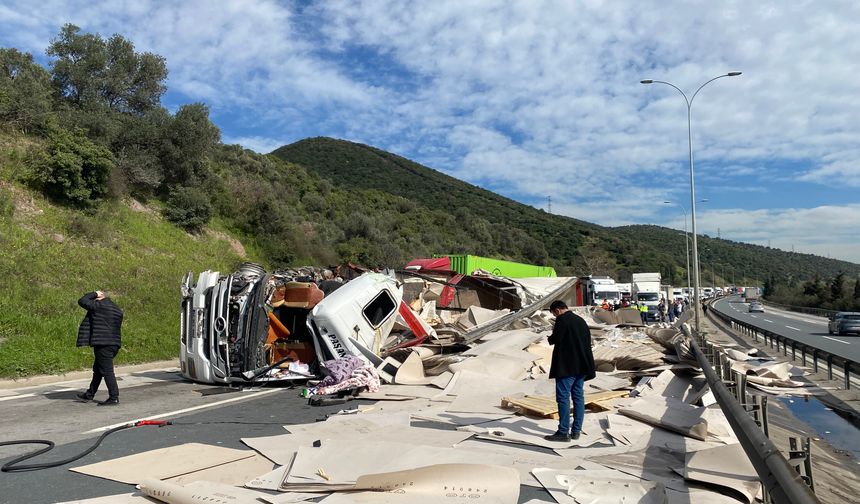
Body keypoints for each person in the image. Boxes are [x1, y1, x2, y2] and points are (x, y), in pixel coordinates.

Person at [544, 300, 596, 442]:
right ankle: (576, 431)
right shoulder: (581, 321)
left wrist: (550, 338)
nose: (555, 316)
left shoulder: (562, 320)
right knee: (578, 397)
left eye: (554, 313)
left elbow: (557, 338)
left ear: (557, 311)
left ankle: (563, 432)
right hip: (582, 366)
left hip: (566, 367)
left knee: (563, 398)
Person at [75, 291, 124, 406]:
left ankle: (114, 397)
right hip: (114, 344)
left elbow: (82, 301)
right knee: (98, 370)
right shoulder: (117, 309)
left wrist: (95, 293)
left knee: (107, 371)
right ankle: (89, 394)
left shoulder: (99, 305)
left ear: (100, 297)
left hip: (103, 344)